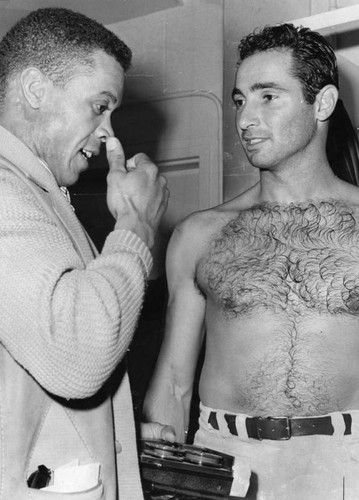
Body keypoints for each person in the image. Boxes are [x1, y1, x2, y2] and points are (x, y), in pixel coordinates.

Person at [143, 23, 359, 500]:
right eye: (240, 100)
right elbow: (175, 383)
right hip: (225, 458)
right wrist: (162, 478)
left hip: (346, 460)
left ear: (321, 104)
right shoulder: (200, 235)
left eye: (268, 97)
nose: (244, 119)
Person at [0, 7, 172, 500]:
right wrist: (135, 225)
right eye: (99, 106)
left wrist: (118, 432)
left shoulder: (35, 193)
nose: (110, 132)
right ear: (35, 89)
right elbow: (79, 354)